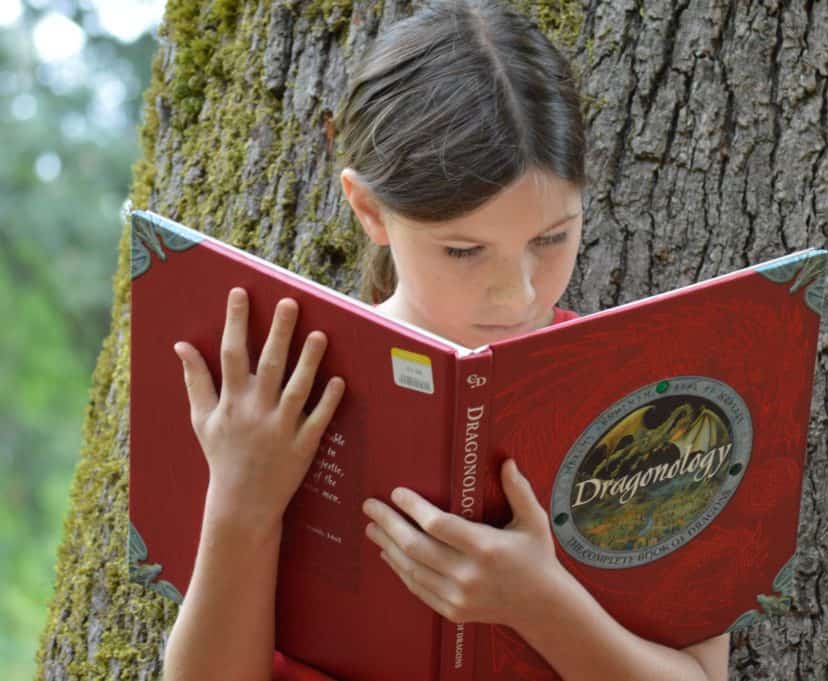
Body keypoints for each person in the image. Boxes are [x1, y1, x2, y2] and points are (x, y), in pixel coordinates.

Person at [162, 0, 730, 680]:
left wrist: (539, 603)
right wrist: (241, 501)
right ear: (370, 209)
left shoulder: (647, 396)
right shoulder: (276, 395)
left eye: (551, 239)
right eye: (464, 251)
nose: (517, 294)